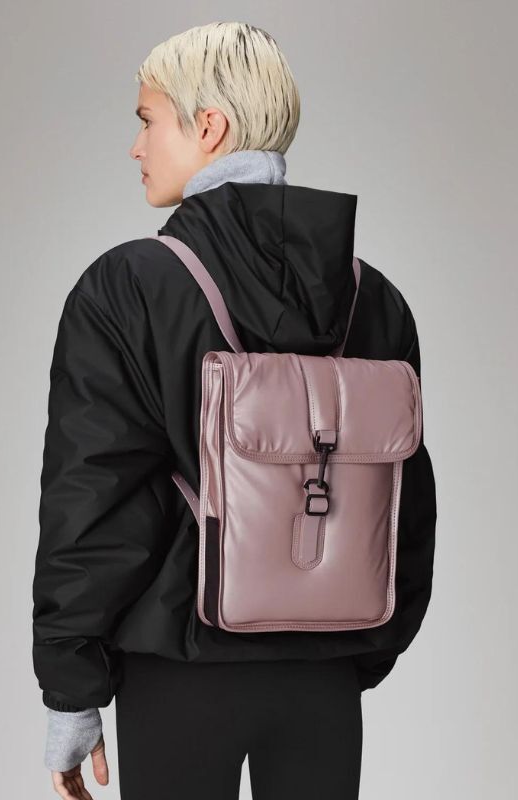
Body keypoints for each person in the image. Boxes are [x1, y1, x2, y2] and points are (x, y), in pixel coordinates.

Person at [31, 20, 437, 800]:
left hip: (177, 669)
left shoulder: (129, 286)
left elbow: (94, 495)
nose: (136, 147)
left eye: (148, 120)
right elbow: (406, 507)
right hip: (327, 676)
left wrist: (71, 690)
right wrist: (362, 647)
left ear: (209, 127)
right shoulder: (376, 299)